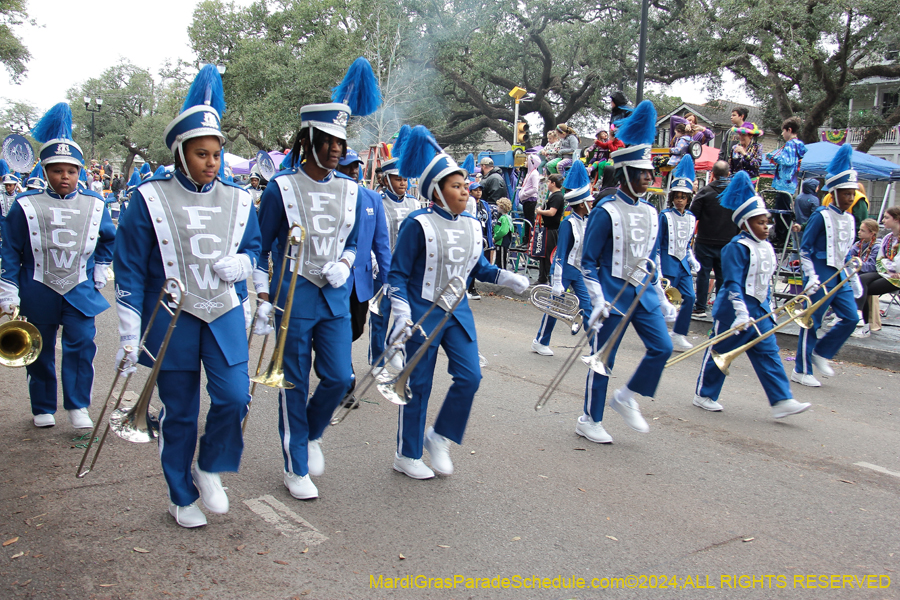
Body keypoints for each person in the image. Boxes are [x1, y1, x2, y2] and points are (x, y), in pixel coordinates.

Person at [114, 66, 261, 528]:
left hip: (223, 313)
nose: (212, 162)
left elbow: (254, 247)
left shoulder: (240, 200)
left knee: (236, 397)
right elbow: (131, 266)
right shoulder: (148, 198)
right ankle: (180, 495)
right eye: (202, 154)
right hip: (171, 317)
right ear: (180, 153)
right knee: (180, 410)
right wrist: (129, 327)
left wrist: (246, 264)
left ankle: (210, 465)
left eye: (217, 154)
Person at [252, 57, 377, 501]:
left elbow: (354, 241)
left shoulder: (353, 190)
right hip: (292, 295)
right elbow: (258, 245)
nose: (335, 150)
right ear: (308, 140)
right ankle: (295, 464)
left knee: (340, 378)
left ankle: (310, 432)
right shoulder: (280, 187)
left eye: (340, 142)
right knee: (292, 381)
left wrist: (345, 262)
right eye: (326, 141)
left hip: (336, 298)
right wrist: (262, 296)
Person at [387, 125, 529, 479]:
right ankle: (407, 453)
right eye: (456, 186)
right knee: (418, 383)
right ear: (437, 191)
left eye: (466, 186)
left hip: (457, 311)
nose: (465, 191)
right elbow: (397, 274)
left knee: (470, 376)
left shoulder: (473, 225)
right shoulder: (416, 223)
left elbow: (479, 268)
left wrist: (506, 278)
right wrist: (401, 310)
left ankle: (440, 436)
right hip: (421, 311)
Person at [0, 103, 116, 430]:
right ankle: (43, 405)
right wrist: (8, 291)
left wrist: (100, 266)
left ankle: (78, 405)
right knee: (39, 347)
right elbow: (11, 249)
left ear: (79, 172)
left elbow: (108, 237)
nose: (64, 177)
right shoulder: (25, 204)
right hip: (37, 286)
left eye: (71, 171)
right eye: (57, 170)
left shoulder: (95, 204)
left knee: (81, 344)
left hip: (78, 286)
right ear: (46, 171)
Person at [577, 100, 678, 444]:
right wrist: (597, 300)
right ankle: (590, 418)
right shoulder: (605, 211)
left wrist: (662, 296)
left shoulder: (653, 213)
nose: (650, 179)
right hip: (611, 295)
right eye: (644, 174)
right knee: (602, 358)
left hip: (644, 293)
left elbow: (653, 258)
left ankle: (627, 396)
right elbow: (586, 262)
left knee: (662, 347)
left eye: (652, 174)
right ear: (627, 174)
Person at [692, 171, 811, 418]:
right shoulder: (735, 247)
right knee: (721, 351)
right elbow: (732, 283)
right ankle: (704, 394)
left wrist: (768, 308)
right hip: (733, 310)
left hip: (760, 309)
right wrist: (740, 313)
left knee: (768, 352)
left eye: (767, 222)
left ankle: (781, 400)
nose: (766, 227)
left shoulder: (767, 247)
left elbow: (765, 281)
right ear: (745, 223)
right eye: (759, 222)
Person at [793, 144, 863, 387]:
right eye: (846, 194)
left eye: (852, 194)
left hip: (840, 274)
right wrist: (810, 275)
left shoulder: (852, 219)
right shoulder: (821, 215)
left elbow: (846, 252)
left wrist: (853, 278)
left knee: (851, 318)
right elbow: (805, 248)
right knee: (812, 321)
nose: (850, 198)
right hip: (820, 272)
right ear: (834, 193)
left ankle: (821, 352)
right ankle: (801, 369)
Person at [334, 148, 391, 407]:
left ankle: (329, 360)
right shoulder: (328, 196)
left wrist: (390, 282)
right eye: (347, 166)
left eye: (356, 166)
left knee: (356, 330)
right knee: (340, 333)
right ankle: (345, 385)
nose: (354, 171)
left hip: (361, 281)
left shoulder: (372, 199)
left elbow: (381, 244)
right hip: (332, 281)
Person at [531, 161, 592, 356]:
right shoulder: (568, 223)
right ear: (581, 203)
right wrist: (557, 281)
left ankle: (596, 348)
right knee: (555, 308)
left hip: (579, 271)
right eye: (589, 201)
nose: (592, 203)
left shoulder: (588, 222)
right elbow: (560, 254)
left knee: (588, 307)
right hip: (564, 271)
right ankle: (540, 341)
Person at [368, 149, 418, 373]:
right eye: (398, 178)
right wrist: (375, 263)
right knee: (381, 314)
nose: (403, 183)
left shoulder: (415, 204)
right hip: (383, 268)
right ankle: (377, 359)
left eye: (405, 179)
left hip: (407, 270)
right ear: (385, 179)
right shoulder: (376, 202)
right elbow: (369, 236)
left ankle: (397, 350)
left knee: (406, 315)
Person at [658, 155, 701, 352]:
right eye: (676, 197)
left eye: (683, 197)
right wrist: (658, 266)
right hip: (667, 262)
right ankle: (658, 333)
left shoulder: (692, 217)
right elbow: (657, 242)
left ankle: (679, 333)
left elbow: (687, 242)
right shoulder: (664, 216)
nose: (679, 201)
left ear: (688, 198)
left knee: (690, 297)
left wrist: (691, 258)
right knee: (664, 300)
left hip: (683, 262)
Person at [689, 160, 738, 316]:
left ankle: (700, 307)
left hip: (705, 240)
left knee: (703, 274)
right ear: (728, 174)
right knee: (723, 276)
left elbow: (692, 216)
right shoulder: (736, 193)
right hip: (728, 241)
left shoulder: (704, 192)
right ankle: (721, 307)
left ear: (714, 175)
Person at [853, 211, 900, 338]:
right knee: (860, 280)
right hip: (884, 272)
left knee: (863, 288)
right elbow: (880, 260)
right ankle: (860, 318)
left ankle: (863, 324)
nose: (883, 220)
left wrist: (890, 266)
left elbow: (896, 262)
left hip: (896, 278)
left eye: (886, 218)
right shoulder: (888, 238)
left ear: (896, 219)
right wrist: (888, 266)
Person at [535, 173, 565, 285]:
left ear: (553, 183)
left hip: (551, 230)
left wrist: (540, 211)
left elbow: (552, 212)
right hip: (546, 228)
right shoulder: (553, 195)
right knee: (542, 254)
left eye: (548, 182)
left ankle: (548, 278)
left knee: (548, 255)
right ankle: (542, 278)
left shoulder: (557, 196)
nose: (547, 184)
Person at [465, 181, 493, 299]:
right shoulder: (468, 204)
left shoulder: (484, 204)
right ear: (470, 192)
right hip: (472, 236)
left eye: (480, 190)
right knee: (470, 263)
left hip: (483, 237)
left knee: (477, 263)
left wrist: (490, 240)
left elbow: (489, 222)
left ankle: (472, 288)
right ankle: (466, 288)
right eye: (476, 190)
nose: (478, 192)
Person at [518, 153, 541, 227]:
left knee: (529, 221)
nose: (525, 162)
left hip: (530, 200)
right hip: (526, 200)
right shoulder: (529, 173)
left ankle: (529, 236)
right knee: (527, 220)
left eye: (527, 161)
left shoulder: (534, 174)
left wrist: (524, 194)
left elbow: (535, 189)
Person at [492, 197, 513, 268]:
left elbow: (503, 230)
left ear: (501, 207)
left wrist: (495, 237)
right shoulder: (509, 218)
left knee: (501, 262)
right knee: (501, 260)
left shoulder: (503, 218)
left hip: (501, 242)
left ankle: (502, 275)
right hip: (504, 242)